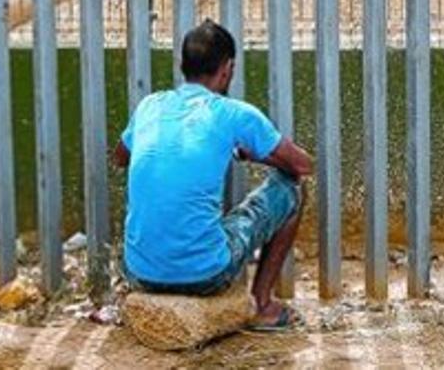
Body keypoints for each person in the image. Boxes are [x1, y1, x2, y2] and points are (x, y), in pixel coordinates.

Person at [114, 19, 313, 331]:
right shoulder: (234, 113)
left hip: (139, 274)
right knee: (291, 190)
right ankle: (261, 305)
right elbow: (303, 166)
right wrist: (257, 154)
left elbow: (121, 158)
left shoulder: (149, 106)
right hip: (205, 275)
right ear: (228, 68)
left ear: (183, 66)